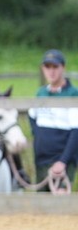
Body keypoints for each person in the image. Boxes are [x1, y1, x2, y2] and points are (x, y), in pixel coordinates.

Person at [28, 49, 78, 190]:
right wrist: (39, 139)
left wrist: (63, 161)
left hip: (62, 161)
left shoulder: (73, 94)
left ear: (63, 68)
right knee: (41, 207)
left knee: (60, 205)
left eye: (55, 67)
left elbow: (76, 131)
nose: (51, 72)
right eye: (47, 67)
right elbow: (32, 118)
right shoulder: (41, 93)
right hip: (42, 159)